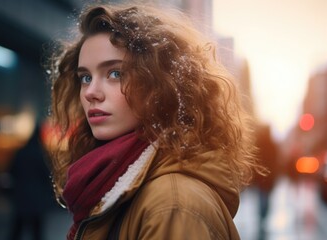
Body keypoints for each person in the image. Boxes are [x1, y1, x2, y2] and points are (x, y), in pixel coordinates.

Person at [47, 3, 264, 239]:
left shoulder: (173, 205)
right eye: (86, 77)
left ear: (160, 86)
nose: (91, 92)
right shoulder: (114, 180)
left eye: (115, 74)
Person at [8, 124, 55, 240]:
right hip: (36, 197)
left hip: (22, 195)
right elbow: (46, 175)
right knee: (36, 231)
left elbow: (11, 171)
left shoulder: (21, 152)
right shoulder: (40, 154)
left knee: (17, 228)